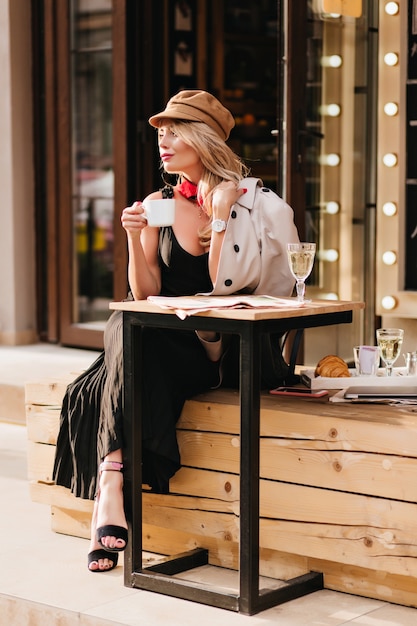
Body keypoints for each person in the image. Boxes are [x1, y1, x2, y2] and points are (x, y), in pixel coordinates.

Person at [52, 90, 299, 573]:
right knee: (128, 318)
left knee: (112, 364)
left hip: (217, 349)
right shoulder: (159, 204)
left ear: (201, 140)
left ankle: (108, 499)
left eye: (174, 134)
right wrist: (130, 236)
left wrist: (223, 216)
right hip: (160, 346)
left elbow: (225, 283)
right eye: (160, 135)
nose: (163, 144)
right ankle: (110, 488)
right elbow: (144, 292)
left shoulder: (251, 202)